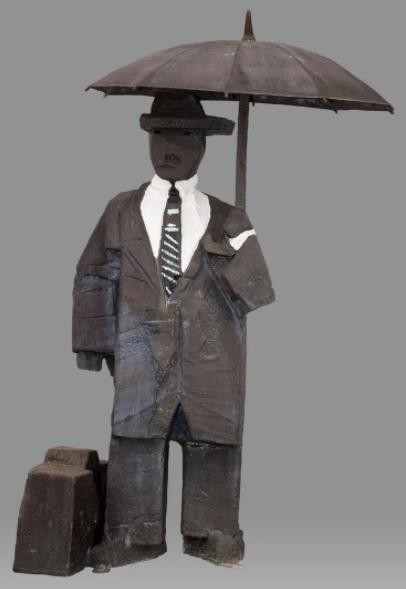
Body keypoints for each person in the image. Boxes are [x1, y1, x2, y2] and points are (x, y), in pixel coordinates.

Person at [72, 92, 275, 571]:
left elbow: (258, 290)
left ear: (203, 144)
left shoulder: (228, 219)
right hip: (140, 353)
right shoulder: (119, 210)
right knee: (135, 442)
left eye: (183, 135)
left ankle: (213, 531)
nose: (169, 146)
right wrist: (93, 345)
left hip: (212, 357)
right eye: (160, 133)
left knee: (214, 444)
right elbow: (93, 275)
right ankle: (133, 535)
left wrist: (236, 248)